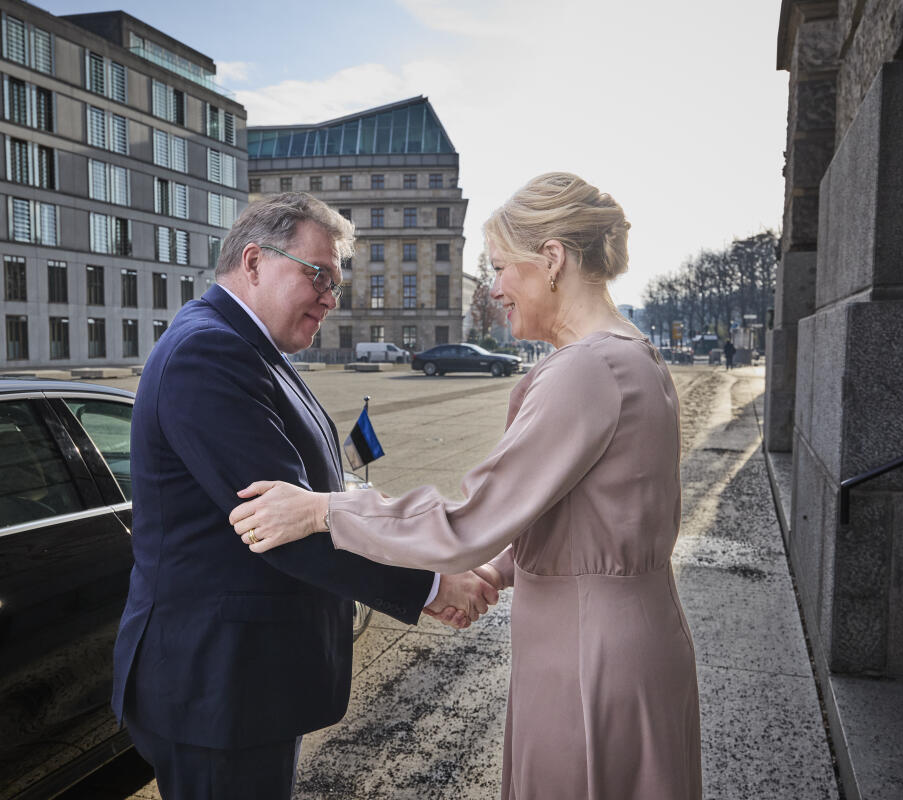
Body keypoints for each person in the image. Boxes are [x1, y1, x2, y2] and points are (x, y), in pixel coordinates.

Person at [229, 174, 703, 800]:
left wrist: (325, 510)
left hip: (589, 656)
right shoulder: (634, 355)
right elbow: (589, 518)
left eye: (502, 267)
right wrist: (501, 571)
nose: (496, 288)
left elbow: (464, 525)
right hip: (626, 636)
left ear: (553, 260)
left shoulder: (586, 370)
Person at [112, 192, 499, 800]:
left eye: (337, 286)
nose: (329, 298)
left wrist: (426, 547)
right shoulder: (207, 353)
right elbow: (278, 527)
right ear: (254, 261)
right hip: (217, 685)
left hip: (248, 680)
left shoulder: (254, 345)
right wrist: (429, 585)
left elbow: (315, 492)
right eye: (317, 274)